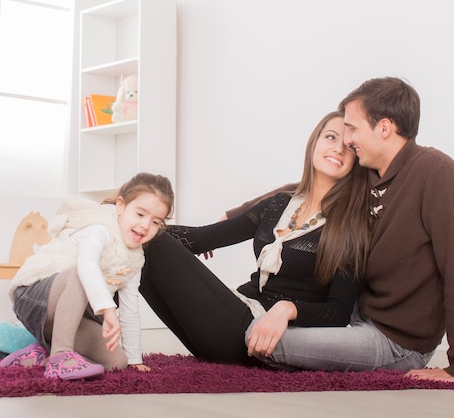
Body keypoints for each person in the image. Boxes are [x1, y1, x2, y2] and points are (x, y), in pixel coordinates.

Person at [232, 77, 454, 382]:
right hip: (351, 321)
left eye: (352, 128)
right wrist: (231, 216)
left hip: (397, 343)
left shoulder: (441, 177)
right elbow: (304, 189)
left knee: (259, 340)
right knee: (256, 328)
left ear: (384, 128)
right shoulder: (368, 174)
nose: (347, 140)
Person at [139, 111, 371, 366]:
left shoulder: (352, 226)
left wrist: (288, 309)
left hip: (255, 334)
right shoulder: (279, 204)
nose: (338, 149)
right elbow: (199, 239)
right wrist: (130, 222)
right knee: (140, 244)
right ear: (314, 141)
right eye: (330, 137)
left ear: (356, 159)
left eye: (349, 146)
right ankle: (98, 331)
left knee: (151, 240)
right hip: (237, 310)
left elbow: (338, 313)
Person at [0, 172, 175, 380]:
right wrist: (108, 311)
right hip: (35, 296)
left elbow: (130, 309)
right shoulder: (99, 229)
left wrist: (135, 359)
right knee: (81, 273)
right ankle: (60, 355)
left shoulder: (135, 259)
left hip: (67, 317)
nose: (146, 225)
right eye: (140, 214)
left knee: (117, 362)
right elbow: (86, 265)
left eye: (156, 222)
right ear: (120, 206)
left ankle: (43, 352)